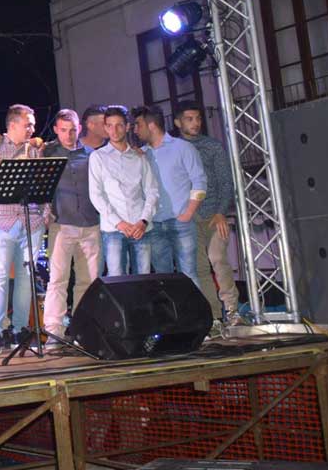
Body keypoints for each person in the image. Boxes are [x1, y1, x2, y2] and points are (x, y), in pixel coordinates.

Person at [0, 105, 46, 353]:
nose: (32, 129)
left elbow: (46, 183)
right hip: (1, 222)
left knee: (26, 278)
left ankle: (19, 330)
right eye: (28, 124)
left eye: (32, 125)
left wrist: (45, 213)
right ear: (12, 125)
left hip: (32, 221)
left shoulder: (34, 149)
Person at [174, 103, 242, 330]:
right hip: (188, 218)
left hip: (214, 215)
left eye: (198, 118)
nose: (195, 123)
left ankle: (232, 311)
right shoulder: (173, 148)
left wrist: (221, 211)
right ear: (178, 123)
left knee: (218, 259)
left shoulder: (212, 146)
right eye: (189, 118)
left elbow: (225, 182)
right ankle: (212, 317)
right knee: (199, 267)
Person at [41, 110, 101, 344]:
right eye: (64, 130)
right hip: (62, 225)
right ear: (56, 130)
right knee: (58, 280)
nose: (69, 134)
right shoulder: (47, 153)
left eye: (73, 129)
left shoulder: (92, 154)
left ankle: (83, 328)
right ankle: (54, 331)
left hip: (90, 224)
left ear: (79, 129)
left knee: (89, 281)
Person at [133, 106, 207, 285]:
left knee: (189, 274)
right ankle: (171, 314)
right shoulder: (142, 154)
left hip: (180, 222)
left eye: (138, 125)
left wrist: (188, 213)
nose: (135, 130)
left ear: (151, 125)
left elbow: (200, 181)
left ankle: (193, 314)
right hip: (155, 224)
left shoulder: (182, 148)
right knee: (163, 278)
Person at [89, 105, 159, 277]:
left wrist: (143, 221)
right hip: (114, 230)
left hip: (140, 228)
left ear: (127, 127)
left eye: (119, 125)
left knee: (143, 280)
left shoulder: (139, 157)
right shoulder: (98, 157)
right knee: (117, 281)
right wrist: (119, 223)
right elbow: (96, 195)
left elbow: (152, 191)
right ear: (105, 128)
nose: (115, 130)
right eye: (110, 125)